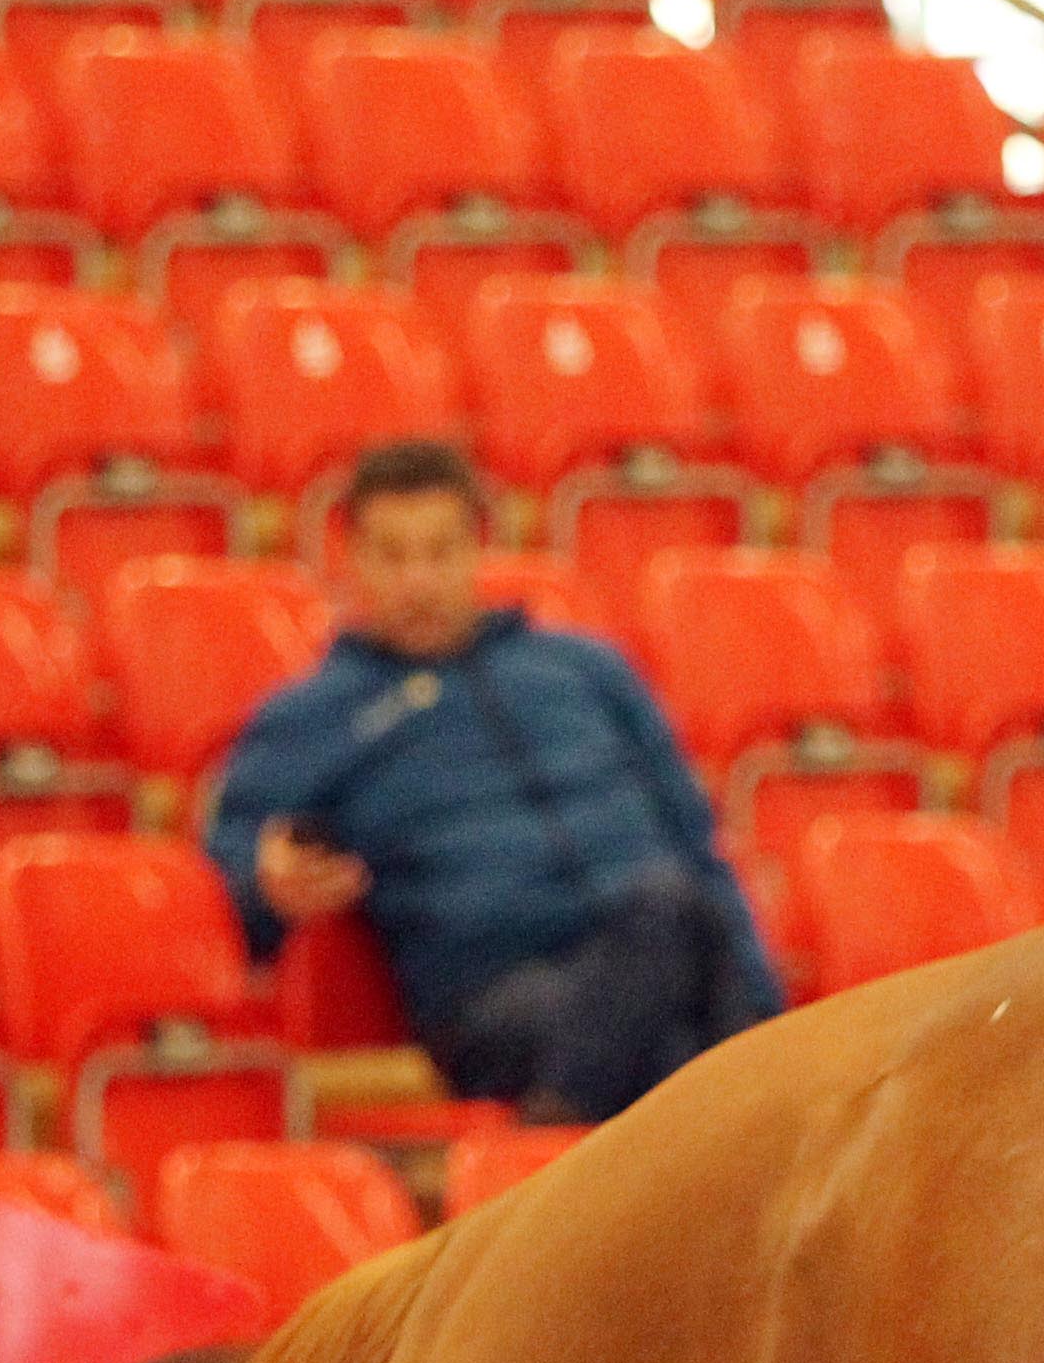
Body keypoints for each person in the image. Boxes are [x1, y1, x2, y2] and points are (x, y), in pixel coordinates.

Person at [207, 439, 784, 1124]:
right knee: (674, 929)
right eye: (393, 556)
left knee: (675, 978)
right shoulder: (314, 716)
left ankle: (556, 1131)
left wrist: (764, 1013)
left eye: (440, 552)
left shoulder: (586, 671)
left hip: (659, 970)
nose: (418, 581)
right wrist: (266, 891)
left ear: (477, 550)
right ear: (352, 558)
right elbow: (229, 893)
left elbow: (696, 843)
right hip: (492, 998)